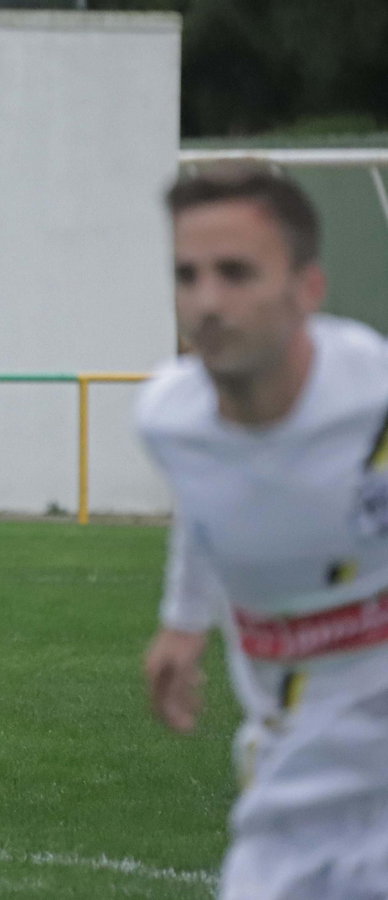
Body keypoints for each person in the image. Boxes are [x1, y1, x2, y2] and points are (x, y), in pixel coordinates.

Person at [140, 163, 388, 900]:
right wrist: (182, 622)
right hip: (288, 803)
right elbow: (205, 494)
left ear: (307, 288)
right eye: (188, 274)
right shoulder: (167, 419)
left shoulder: (374, 399)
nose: (206, 302)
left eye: (236, 273)